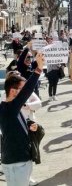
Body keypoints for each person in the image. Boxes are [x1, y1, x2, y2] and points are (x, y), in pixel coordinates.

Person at [0, 53, 44, 186]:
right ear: (13, 91)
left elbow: (15, 126)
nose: (25, 94)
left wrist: (30, 126)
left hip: (20, 160)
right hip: (16, 163)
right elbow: (28, 89)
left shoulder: (10, 108)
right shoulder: (9, 108)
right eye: (21, 89)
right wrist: (38, 69)